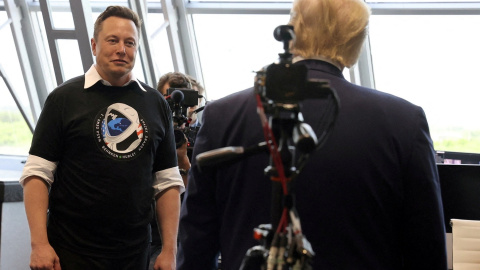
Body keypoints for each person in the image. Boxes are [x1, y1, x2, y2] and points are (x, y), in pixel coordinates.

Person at [177, 0, 448, 269]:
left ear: (293, 31)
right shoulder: (404, 122)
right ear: (355, 42)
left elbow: (196, 242)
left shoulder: (221, 116)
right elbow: (426, 250)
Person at [20, 6, 184, 270]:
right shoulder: (64, 99)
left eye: (129, 42)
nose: (122, 49)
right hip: (70, 253)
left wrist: (169, 250)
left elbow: (167, 182)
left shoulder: (156, 103)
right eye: (113, 40)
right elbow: (37, 174)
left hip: (134, 254)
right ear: (94, 45)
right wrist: (39, 244)